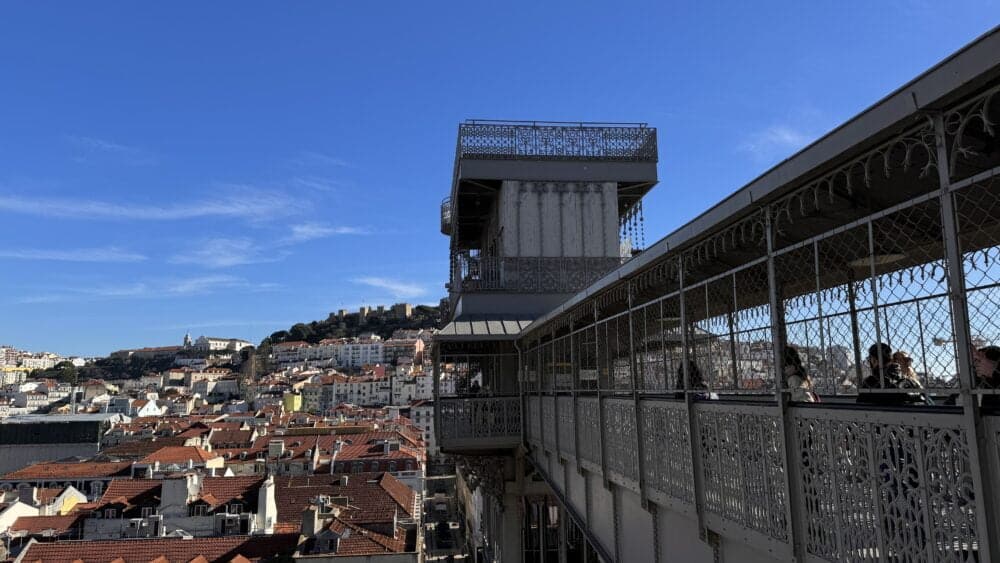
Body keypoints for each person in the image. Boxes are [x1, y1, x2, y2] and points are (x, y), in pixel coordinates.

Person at [857, 343, 928, 405]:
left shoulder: (871, 382)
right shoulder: (910, 382)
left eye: (869, 360)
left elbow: (859, 409)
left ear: (874, 360)